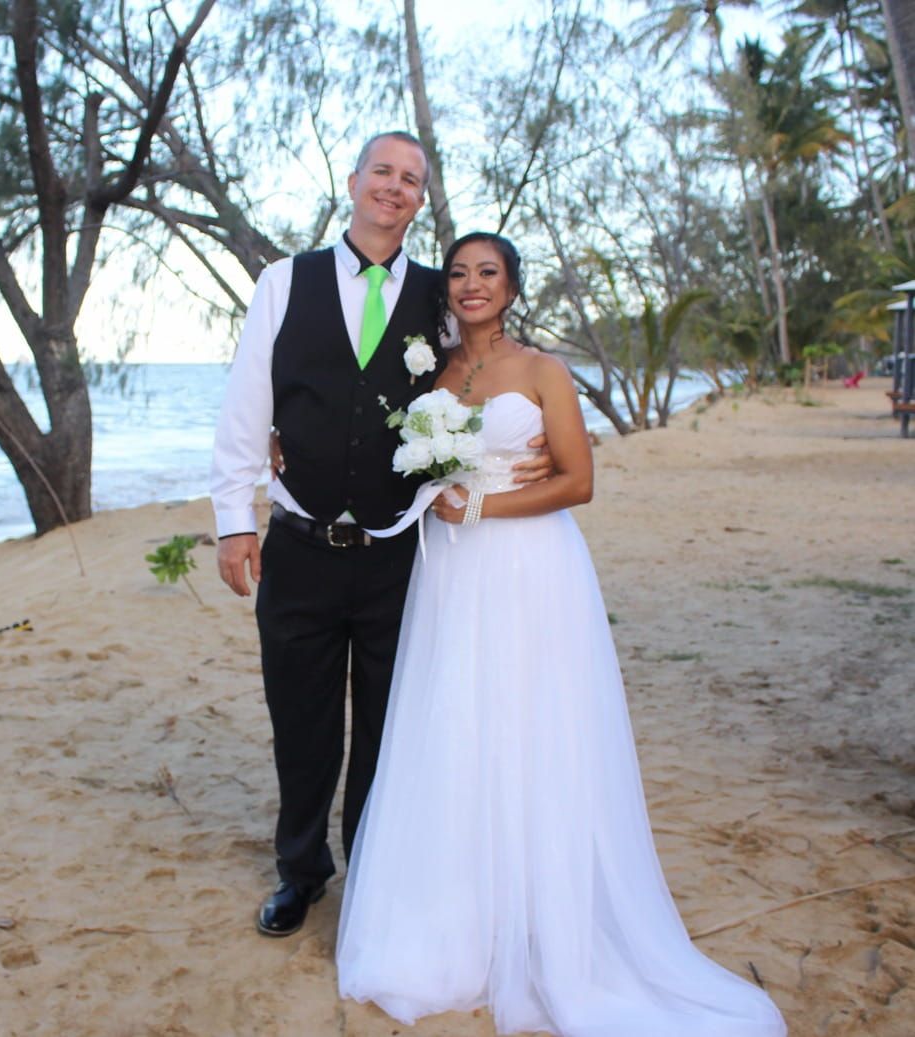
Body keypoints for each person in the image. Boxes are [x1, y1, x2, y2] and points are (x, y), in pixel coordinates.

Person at [336, 232, 788, 1037]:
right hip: (449, 577)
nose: (471, 285)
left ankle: (543, 922)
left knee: (530, 726)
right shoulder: (431, 375)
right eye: (459, 273)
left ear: (510, 289)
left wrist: (479, 504)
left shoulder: (543, 370)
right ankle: (462, 921)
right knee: (459, 729)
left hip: (527, 568)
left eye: (488, 273)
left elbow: (577, 480)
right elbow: (414, 473)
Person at [210, 133, 551, 938]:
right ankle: (300, 872)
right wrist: (234, 520)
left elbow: (492, 371)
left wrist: (526, 441)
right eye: (383, 173)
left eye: (411, 179)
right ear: (354, 180)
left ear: (420, 199)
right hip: (297, 544)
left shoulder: (442, 293)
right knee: (301, 722)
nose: (394, 189)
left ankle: (371, 867)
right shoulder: (281, 282)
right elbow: (243, 407)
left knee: (389, 728)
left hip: (403, 551)